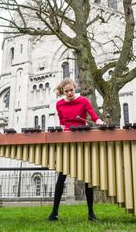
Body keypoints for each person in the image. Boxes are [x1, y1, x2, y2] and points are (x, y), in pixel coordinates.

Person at [48, 78, 104, 222]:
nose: (69, 93)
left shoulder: (84, 101)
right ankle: (54, 213)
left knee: (87, 178)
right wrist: (60, 129)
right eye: (66, 91)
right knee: (62, 177)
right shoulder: (59, 104)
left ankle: (91, 214)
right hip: (67, 141)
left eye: (71, 90)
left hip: (82, 140)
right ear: (63, 92)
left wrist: (100, 122)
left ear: (74, 88)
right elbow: (61, 122)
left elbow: (94, 116)